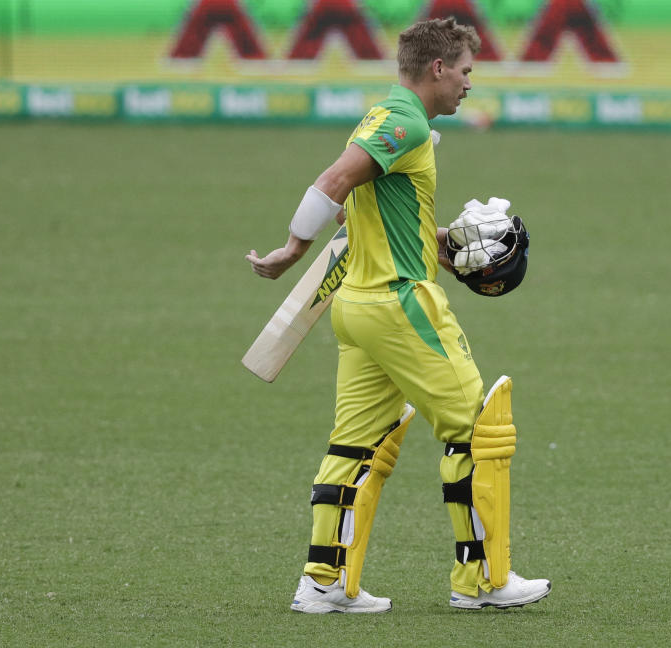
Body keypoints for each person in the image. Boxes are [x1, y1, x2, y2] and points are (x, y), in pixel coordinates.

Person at [246, 17, 549, 614]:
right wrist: (291, 251)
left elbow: (358, 210)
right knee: (477, 431)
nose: (468, 83)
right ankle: (485, 581)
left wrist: (427, 235)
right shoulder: (406, 122)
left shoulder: (385, 115)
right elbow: (333, 183)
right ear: (437, 68)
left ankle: (323, 583)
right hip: (399, 301)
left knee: (355, 445)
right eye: (464, 71)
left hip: (357, 305)